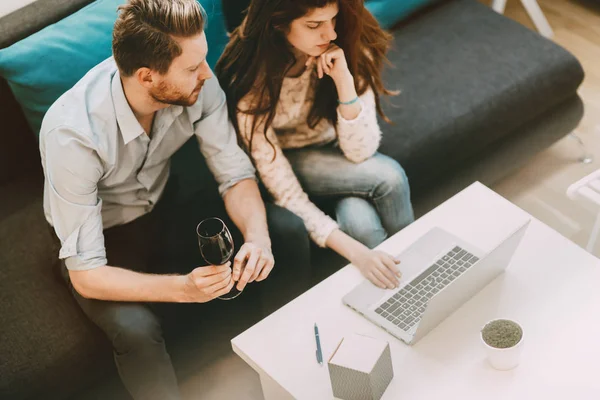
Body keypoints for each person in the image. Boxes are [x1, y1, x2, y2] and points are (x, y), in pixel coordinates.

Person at [39, 1, 311, 399]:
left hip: (167, 205)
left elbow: (234, 174)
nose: (206, 73)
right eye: (192, 67)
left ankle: (291, 371)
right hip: (104, 237)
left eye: (202, 60)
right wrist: (184, 288)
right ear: (148, 76)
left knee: (284, 230)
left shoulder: (199, 84)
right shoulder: (72, 135)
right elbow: (87, 274)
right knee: (138, 331)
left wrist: (258, 238)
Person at [216, 0, 415, 291]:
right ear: (278, 24)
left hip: (337, 146)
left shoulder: (346, 38)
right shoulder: (251, 79)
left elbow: (360, 151)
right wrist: (359, 256)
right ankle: (413, 278)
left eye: (332, 20)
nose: (330, 34)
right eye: (314, 25)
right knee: (389, 177)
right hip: (287, 158)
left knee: (362, 226)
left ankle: (412, 284)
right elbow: (285, 192)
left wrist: (344, 81)